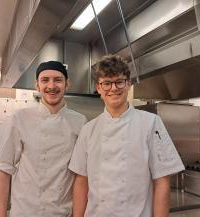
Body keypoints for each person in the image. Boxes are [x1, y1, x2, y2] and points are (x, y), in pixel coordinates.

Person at [69, 55, 185, 217]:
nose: (113, 88)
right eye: (107, 83)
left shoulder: (150, 123)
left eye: (119, 82)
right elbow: (81, 182)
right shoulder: (88, 130)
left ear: (129, 84)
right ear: (99, 88)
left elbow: (162, 182)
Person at [0, 61, 87, 217]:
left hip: (62, 212)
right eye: (45, 80)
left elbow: (80, 175)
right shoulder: (20, 118)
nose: (51, 86)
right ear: (37, 86)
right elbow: (4, 169)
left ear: (67, 84)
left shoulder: (80, 121)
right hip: (25, 211)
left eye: (58, 80)